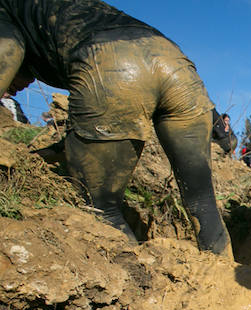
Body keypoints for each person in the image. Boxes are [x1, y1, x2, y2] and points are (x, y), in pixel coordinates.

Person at [0, 0, 232, 256]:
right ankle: (226, 282)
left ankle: (136, 288)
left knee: (100, 207)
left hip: (114, 64)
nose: (19, 89)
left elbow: (8, 50)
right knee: (202, 202)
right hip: (176, 64)